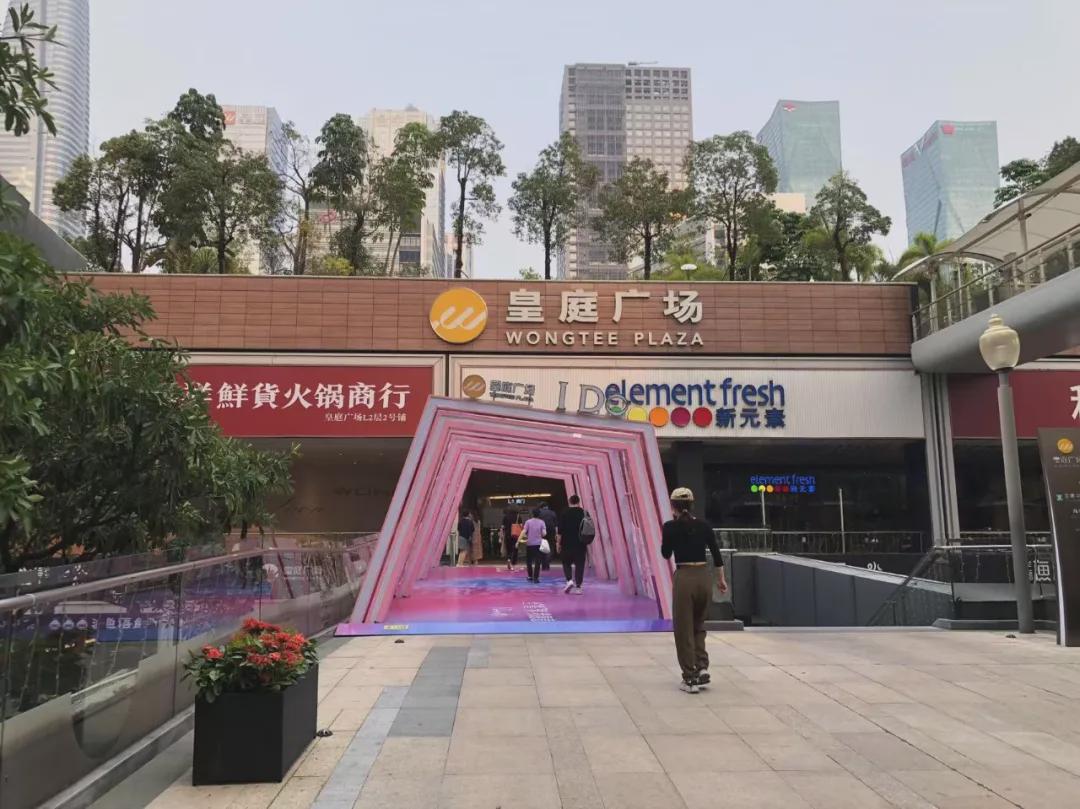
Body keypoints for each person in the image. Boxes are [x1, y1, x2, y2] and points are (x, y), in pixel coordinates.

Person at [661, 487, 727, 694]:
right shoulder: (704, 526)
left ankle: (689, 678)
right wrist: (721, 580)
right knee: (699, 625)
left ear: (673, 506)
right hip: (703, 578)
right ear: (691, 504)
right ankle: (702, 666)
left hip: (684, 578)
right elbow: (716, 555)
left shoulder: (670, 527)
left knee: (684, 629)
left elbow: (665, 554)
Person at [558, 495, 588, 594]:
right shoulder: (584, 513)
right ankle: (578, 587)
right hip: (581, 543)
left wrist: (558, 544)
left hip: (566, 543)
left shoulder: (564, 513)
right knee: (580, 564)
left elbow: (560, 531)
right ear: (579, 502)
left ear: (569, 501)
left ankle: (569, 580)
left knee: (566, 562)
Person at [520, 507, 547, 583]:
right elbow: (544, 534)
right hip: (538, 544)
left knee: (529, 561)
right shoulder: (542, 522)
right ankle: (536, 578)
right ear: (539, 514)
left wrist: (519, 540)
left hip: (529, 544)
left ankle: (530, 576)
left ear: (532, 514)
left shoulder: (528, 522)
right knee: (538, 561)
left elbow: (524, 531)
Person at [539, 502, 557, 571]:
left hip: (542, 532)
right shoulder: (553, 513)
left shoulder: (539, 513)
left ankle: (544, 565)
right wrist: (556, 534)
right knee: (551, 547)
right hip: (551, 532)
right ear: (547, 506)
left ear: (541, 507)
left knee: (542, 548)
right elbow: (556, 525)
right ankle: (547, 562)